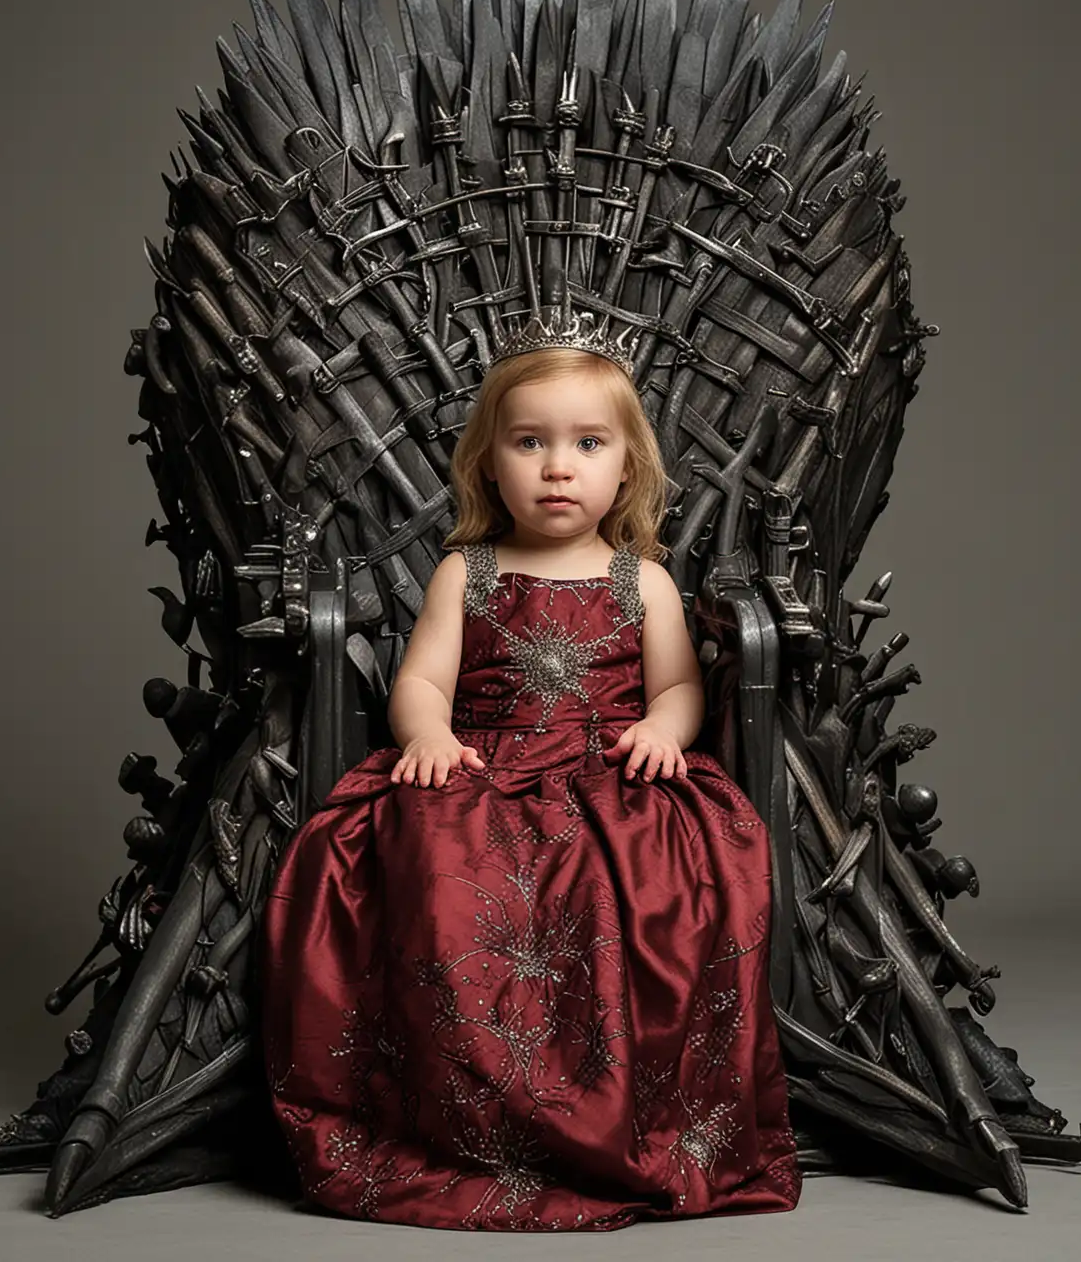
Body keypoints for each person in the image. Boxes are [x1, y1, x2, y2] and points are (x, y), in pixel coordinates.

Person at [260, 325, 802, 1231]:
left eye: (588, 444)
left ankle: (621, 1109)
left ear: (625, 470)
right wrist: (425, 734)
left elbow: (677, 687)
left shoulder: (644, 582)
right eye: (530, 442)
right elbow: (422, 680)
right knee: (432, 873)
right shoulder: (465, 573)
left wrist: (666, 734)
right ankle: (465, 1116)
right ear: (489, 465)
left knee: (654, 876)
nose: (559, 468)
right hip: (483, 766)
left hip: (609, 771)